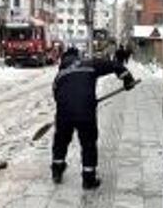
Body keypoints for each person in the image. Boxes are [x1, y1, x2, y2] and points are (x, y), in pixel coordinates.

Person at [50, 46, 136, 189]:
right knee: (88, 143)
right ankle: (88, 179)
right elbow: (114, 65)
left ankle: (57, 171)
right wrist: (127, 79)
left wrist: (68, 106)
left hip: (63, 113)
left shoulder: (59, 75)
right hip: (85, 112)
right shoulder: (89, 64)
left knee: (61, 141)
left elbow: (56, 96)